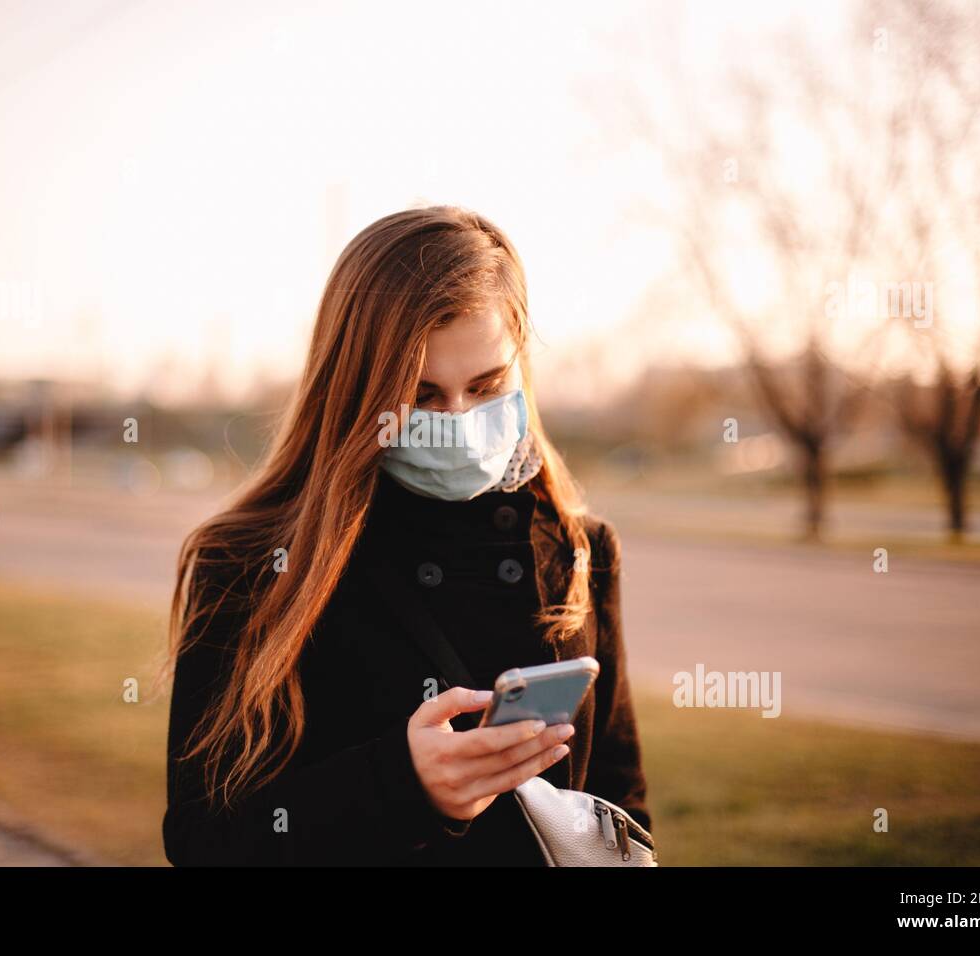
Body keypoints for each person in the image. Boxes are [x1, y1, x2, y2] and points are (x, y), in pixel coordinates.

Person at [161, 204, 651, 865]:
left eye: (487, 385)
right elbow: (205, 841)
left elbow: (624, 809)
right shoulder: (248, 560)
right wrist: (403, 785)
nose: (459, 419)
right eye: (420, 395)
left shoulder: (579, 550)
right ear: (355, 390)